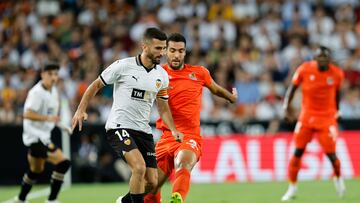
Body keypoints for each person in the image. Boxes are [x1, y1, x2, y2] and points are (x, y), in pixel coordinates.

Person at [71, 27, 184, 203]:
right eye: (158, 48)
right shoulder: (123, 66)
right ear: (144, 46)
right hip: (119, 127)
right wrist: (80, 109)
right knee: (138, 167)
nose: (162, 53)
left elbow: (163, 108)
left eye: (163, 48)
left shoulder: (162, 75)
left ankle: (123, 202)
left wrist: (174, 129)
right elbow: (95, 85)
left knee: (151, 182)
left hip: (143, 131)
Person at [144, 33, 237, 203]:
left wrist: (230, 97)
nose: (177, 55)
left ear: (185, 52)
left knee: (184, 162)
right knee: (150, 187)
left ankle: (177, 198)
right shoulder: (157, 73)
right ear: (166, 51)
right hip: (166, 137)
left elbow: (215, 89)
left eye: (181, 51)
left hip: (189, 136)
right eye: (172, 50)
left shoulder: (199, 73)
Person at [281, 46, 346, 201]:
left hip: (327, 118)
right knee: (297, 153)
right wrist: (285, 108)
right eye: (320, 57)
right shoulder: (304, 69)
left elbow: (337, 93)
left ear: (330, 59)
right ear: (315, 59)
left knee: (331, 155)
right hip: (307, 117)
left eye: (326, 58)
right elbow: (292, 88)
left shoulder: (337, 73)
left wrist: (338, 110)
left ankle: (338, 178)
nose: (323, 60)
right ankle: (292, 188)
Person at [15, 63, 71, 203]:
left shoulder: (54, 92)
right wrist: (48, 118)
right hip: (34, 137)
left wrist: (63, 126)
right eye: (50, 74)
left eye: (56, 74)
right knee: (63, 162)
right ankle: (52, 199)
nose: (53, 77)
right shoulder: (36, 92)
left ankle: (21, 198)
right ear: (42, 75)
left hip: (44, 137)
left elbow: (52, 116)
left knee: (36, 170)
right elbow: (27, 114)